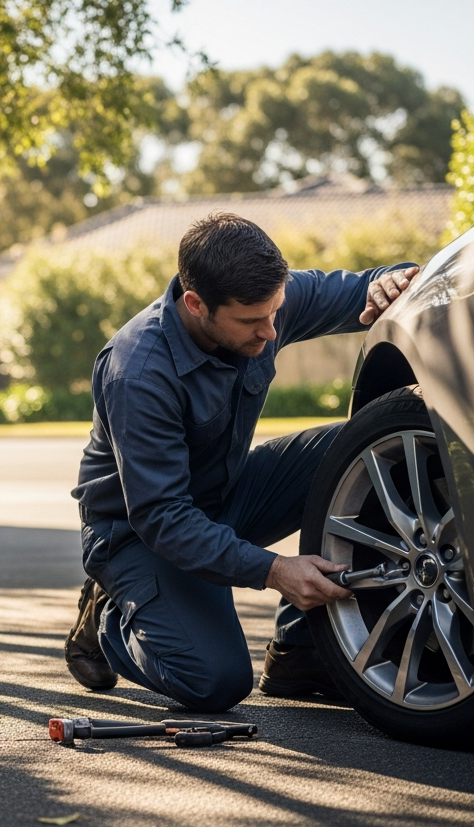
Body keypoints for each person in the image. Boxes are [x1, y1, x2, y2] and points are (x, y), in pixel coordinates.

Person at [66, 212, 418, 712]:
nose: (271, 332)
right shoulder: (138, 371)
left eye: (275, 313)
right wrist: (275, 570)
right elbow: (162, 517)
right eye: (252, 322)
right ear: (195, 304)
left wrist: (389, 283)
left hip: (226, 494)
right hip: (139, 533)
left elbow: (378, 285)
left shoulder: (263, 298)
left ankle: (303, 650)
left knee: (369, 450)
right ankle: (112, 618)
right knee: (215, 682)